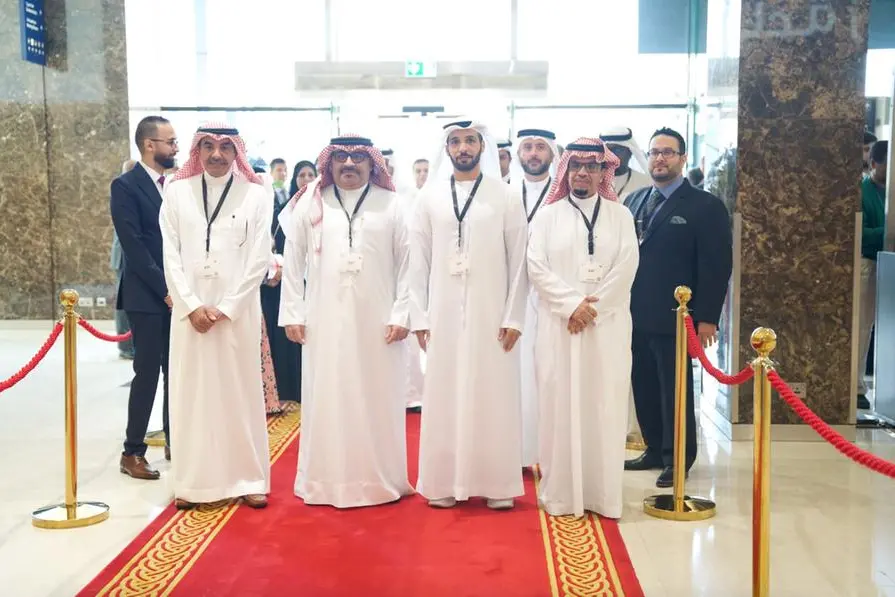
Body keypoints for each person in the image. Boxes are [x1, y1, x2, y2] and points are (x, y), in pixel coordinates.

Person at [279, 135, 413, 508]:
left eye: (357, 157)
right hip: (324, 320)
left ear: (372, 163)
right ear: (329, 162)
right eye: (341, 156)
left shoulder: (393, 204)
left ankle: (380, 479)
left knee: (377, 396)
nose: (349, 163)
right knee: (329, 395)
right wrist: (292, 312)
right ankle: (325, 481)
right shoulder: (311, 202)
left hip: (379, 322)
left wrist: (402, 313)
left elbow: (409, 264)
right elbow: (293, 259)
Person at [409, 119, 528, 510]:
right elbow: (418, 262)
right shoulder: (429, 198)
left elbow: (519, 261)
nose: (463, 148)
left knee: (494, 394)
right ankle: (443, 482)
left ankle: (497, 484)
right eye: (456, 141)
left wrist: (514, 317)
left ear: (482, 146)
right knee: (444, 395)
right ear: (447, 148)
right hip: (442, 315)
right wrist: (420, 317)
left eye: (470, 141)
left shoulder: (505, 195)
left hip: (492, 315)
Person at [160, 122, 272, 509]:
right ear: (198, 151)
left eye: (225, 147)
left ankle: (249, 478)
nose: (216, 154)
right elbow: (170, 254)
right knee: (192, 396)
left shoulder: (255, 195)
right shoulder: (177, 192)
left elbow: (259, 257)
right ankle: (192, 483)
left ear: (236, 152)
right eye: (207, 146)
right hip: (190, 317)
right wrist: (191, 305)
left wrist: (226, 308)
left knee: (240, 395)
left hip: (236, 315)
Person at [528, 137, 638, 519]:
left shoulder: (620, 216)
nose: (583, 173)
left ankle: (602, 495)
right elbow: (536, 267)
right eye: (576, 166)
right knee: (559, 406)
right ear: (566, 170)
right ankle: (561, 494)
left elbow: (627, 266)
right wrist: (572, 305)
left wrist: (593, 309)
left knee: (603, 406)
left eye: (592, 167)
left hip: (606, 329)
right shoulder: (547, 216)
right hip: (559, 329)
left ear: (604, 171)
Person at [623, 127, 732, 488]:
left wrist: (707, 318)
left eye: (668, 152)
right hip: (634, 315)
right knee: (643, 386)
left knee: (674, 391)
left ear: (683, 159)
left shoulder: (705, 206)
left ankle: (678, 457)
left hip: (677, 318)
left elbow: (716, 266)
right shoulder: (634, 201)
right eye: (655, 152)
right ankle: (655, 448)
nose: (660, 158)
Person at [110, 117, 178, 479]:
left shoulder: (176, 186)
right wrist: (165, 290)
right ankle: (132, 451)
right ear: (150, 145)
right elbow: (134, 246)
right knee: (148, 373)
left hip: (176, 293)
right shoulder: (125, 186)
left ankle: (174, 440)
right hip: (146, 296)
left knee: (176, 372)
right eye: (170, 141)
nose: (176, 147)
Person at [512, 128, 560, 469]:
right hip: (512, 294)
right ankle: (515, 452)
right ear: (518, 154)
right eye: (527, 147)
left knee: (547, 372)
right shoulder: (503, 192)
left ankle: (546, 451)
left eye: (540, 147)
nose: (533, 153)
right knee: (514, 374)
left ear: (552, 154)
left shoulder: (563, 195)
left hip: (549, 296)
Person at [260, 160, 317, 409]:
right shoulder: (285, 210)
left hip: (314, 283)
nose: (306, 180)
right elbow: (273, 243)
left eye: (311, 175)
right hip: (283, 281)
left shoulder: (323, 208)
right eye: (301, 175)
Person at [858, 140, 888, 409]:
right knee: (863, 326)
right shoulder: (862, 191)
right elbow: (860, 234)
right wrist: (887, 232)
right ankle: (857, 387)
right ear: (874, 164)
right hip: (869, 263)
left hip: (890, 264)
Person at [111, 159, 137, 360]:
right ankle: (126, 347)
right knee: (124, 304)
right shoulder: (125, 190)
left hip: (126, 256)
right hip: (124, 257)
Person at [601, 127, 652, 201]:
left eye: (618, 150)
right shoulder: (595, 181)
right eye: (608, 150)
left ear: (630, 152)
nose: (612, 155)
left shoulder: (646, 182)